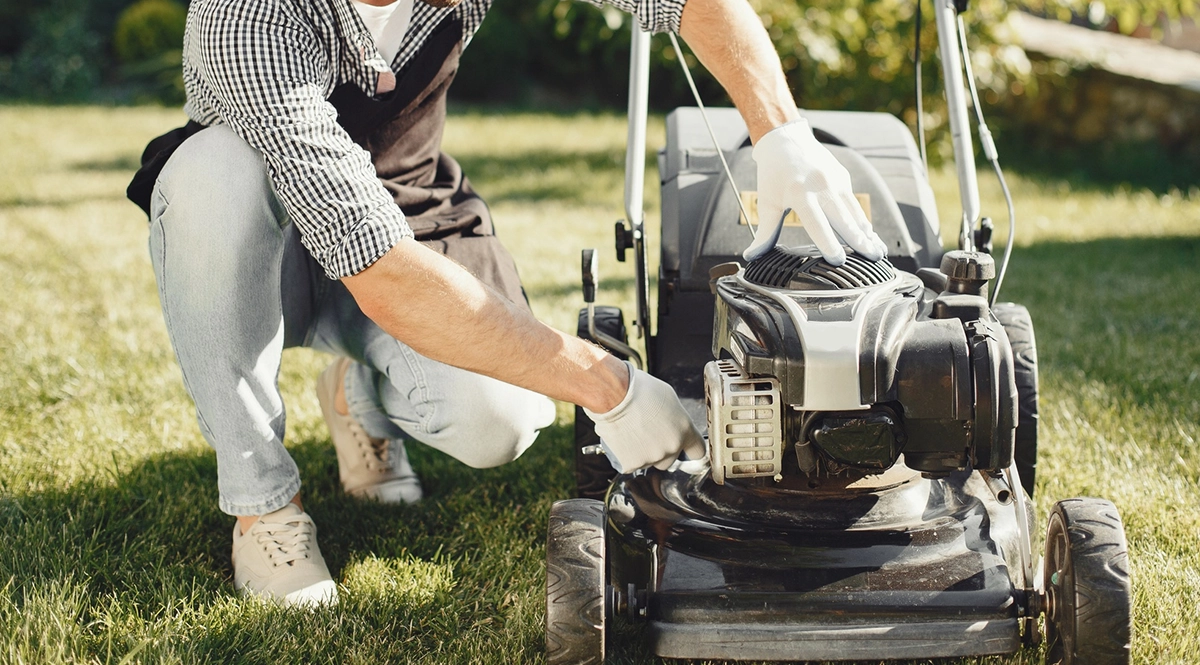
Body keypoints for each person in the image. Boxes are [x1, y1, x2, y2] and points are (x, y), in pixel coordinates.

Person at [127, 0, 885, 607]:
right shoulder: (245, 16)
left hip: (413, 213)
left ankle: (362, 395)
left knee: (502, 420)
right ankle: (265, 506)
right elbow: (377, 263)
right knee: (211, 176)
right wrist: (609, 386)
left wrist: (782, 133)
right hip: (272, 244)